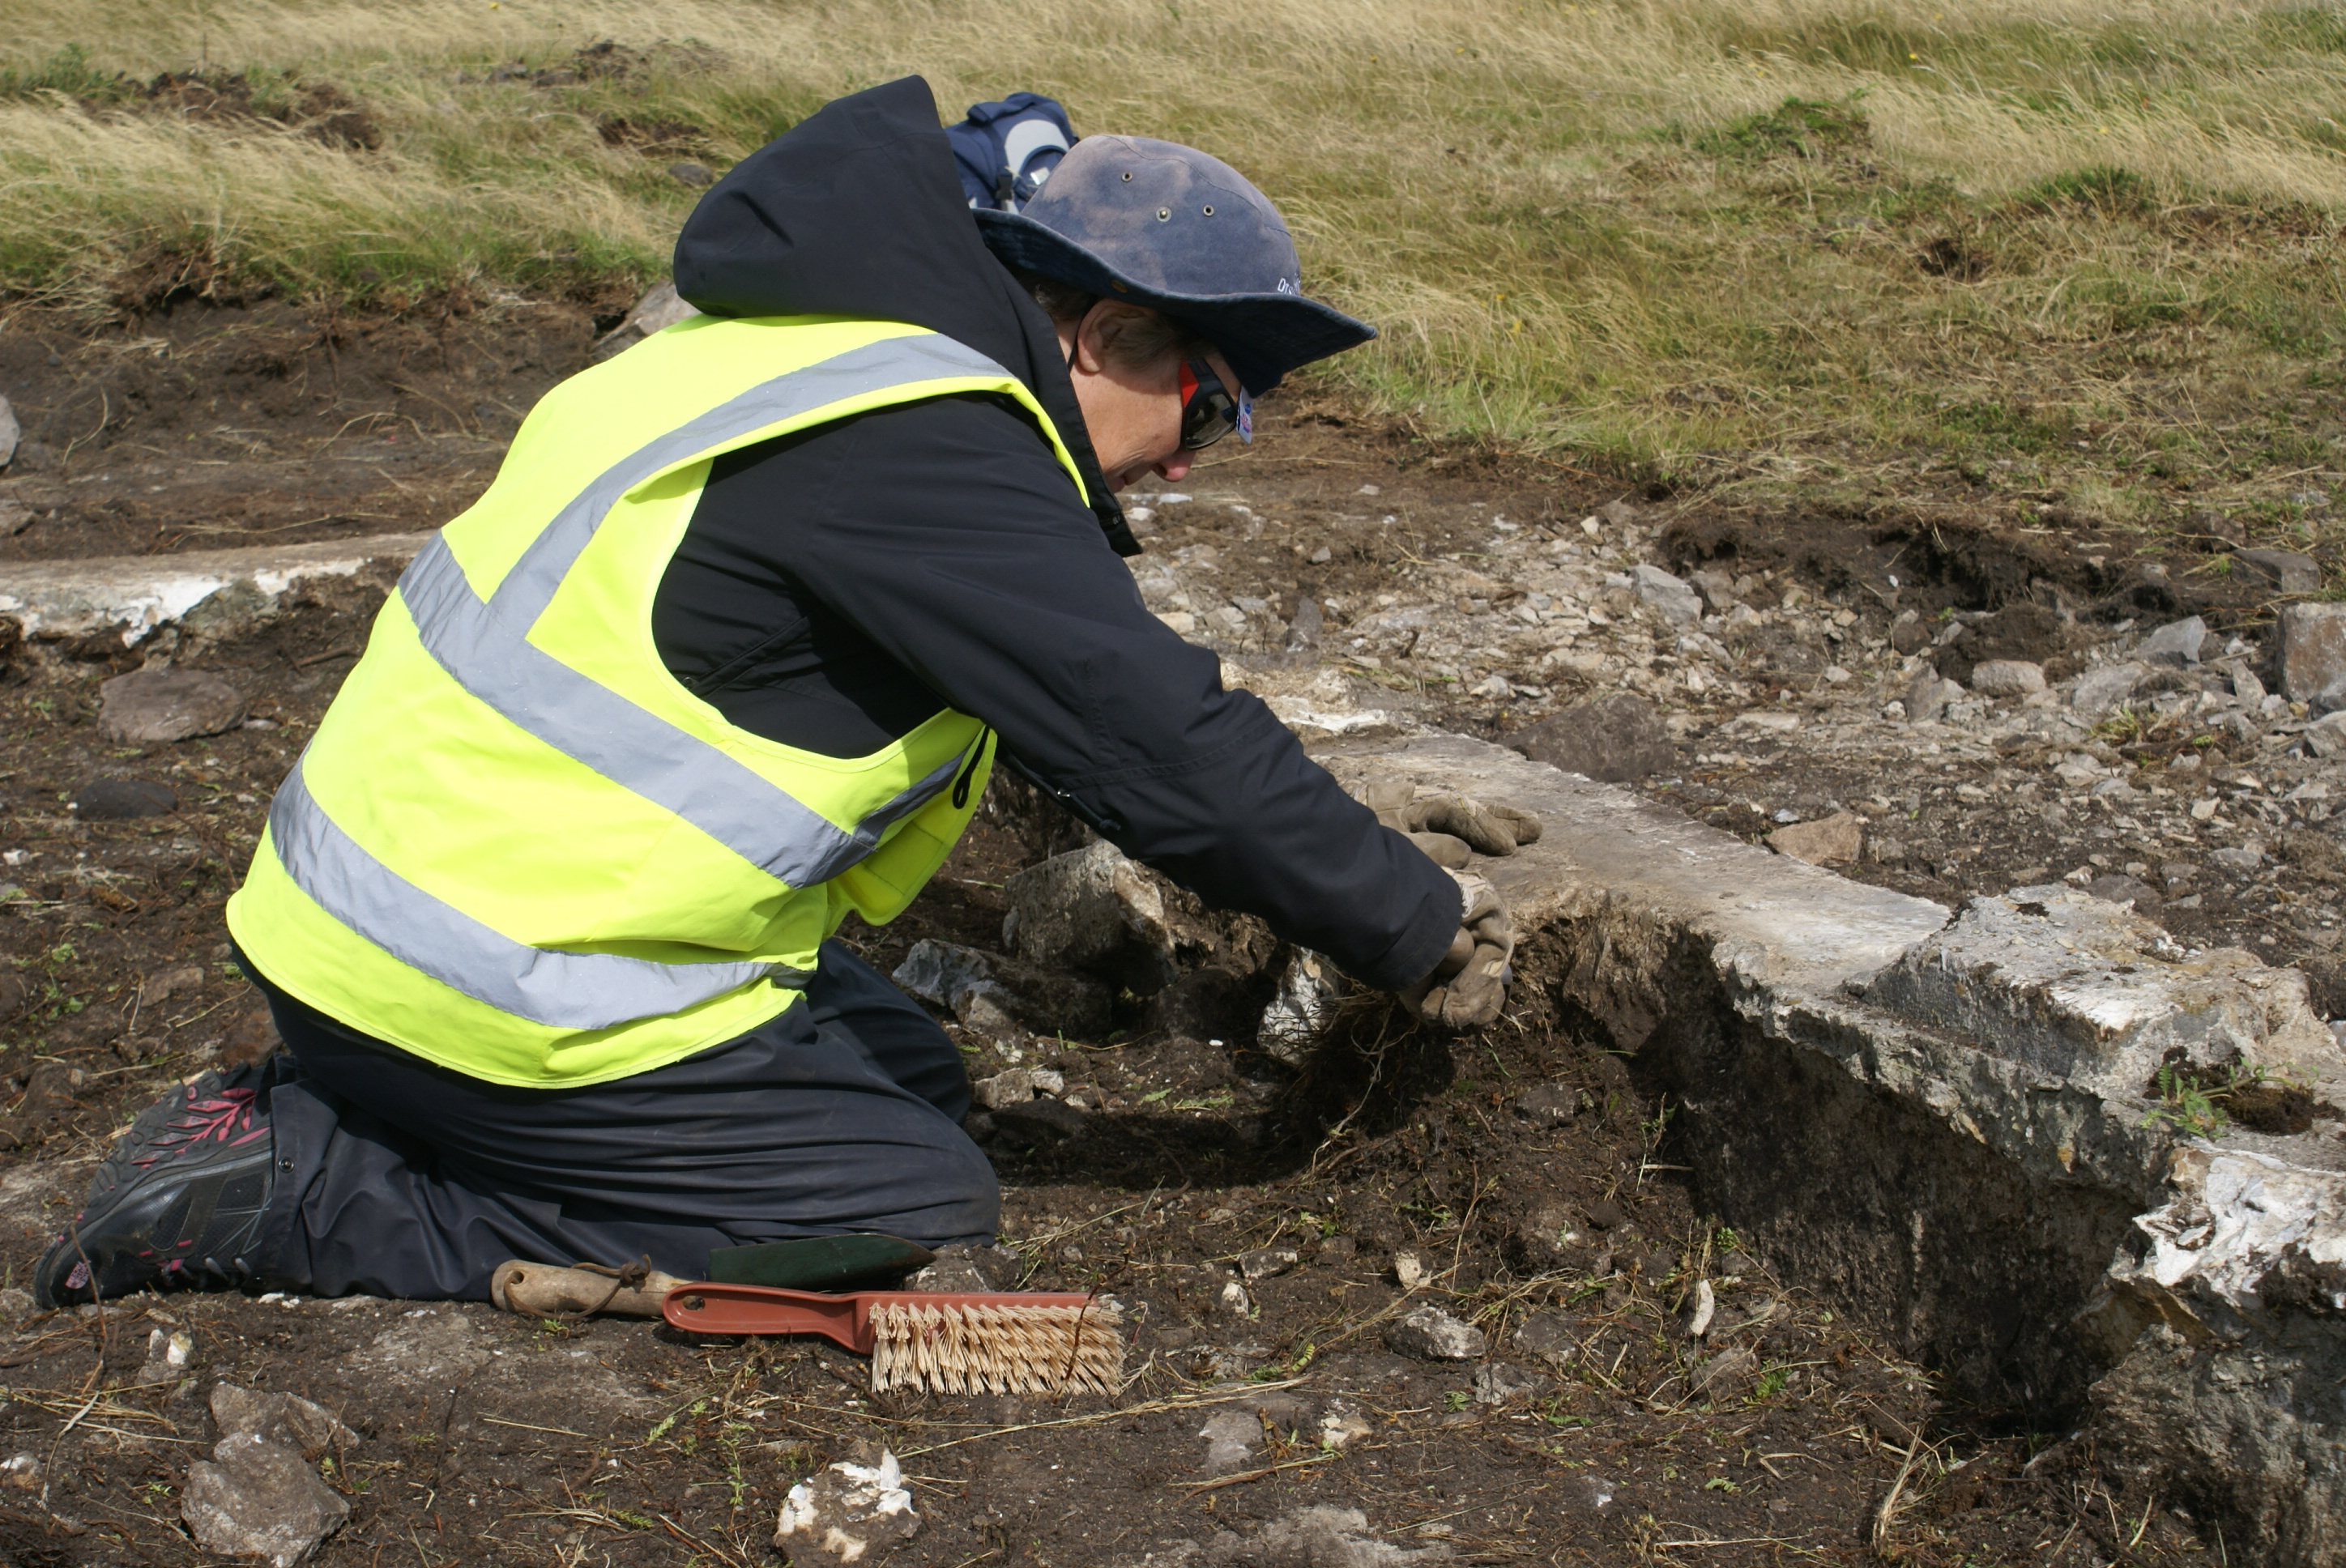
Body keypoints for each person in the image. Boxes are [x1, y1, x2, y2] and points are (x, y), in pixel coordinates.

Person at [36, 76, 1507, 1308]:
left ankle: (365, 1099)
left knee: (911, 1072)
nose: (1194, 456)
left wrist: (1332, 807)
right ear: (1106, 336)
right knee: (909, 1195)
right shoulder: (927, 443)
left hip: (383, 923)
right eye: (1212, 403)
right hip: (481, 974)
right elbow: (1146, 735)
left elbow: (1068, 690)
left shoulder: (803, 350)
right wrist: (1416, 924)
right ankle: (297, 1187)